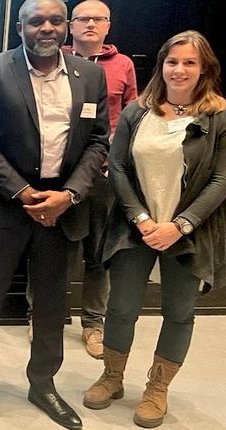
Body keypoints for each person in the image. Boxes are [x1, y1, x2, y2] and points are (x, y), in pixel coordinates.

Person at [0, 0, 109, 430]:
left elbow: (98, 140)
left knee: (50, 304)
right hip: (6, 206)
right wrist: (23, 192)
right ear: (19, 27)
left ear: (65, 26)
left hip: (63, 207)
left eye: (55, 21)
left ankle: (43, 383)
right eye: (36, 21)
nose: (46, 28)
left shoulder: (91, 76)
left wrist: (70, 195)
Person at [84, 30, 226, 428]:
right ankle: (112, 377)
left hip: (190, 231)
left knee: (179, 313)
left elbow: (221, 179)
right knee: (121, 306)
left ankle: (157, 389)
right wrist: (143, 219)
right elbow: (119, 168)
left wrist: (180, 225)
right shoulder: (136, 112)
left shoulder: (218, 116)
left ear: (205, 69)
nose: (179, 70)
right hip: (135, 227)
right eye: (172, 61)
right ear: (161, 65)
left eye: (189, 62)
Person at [62, 0, 139, 359]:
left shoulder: (122, 65)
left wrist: (116, 160)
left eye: (99, 19)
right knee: (54, 251)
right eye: (83, 19)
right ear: (70, 25)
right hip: (60, 175)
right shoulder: (54, 59)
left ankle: (93, 323)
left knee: (97, 253)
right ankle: (41, 314)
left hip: (104, 172)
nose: (90, 24)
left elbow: (131, 116)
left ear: (108, 26)